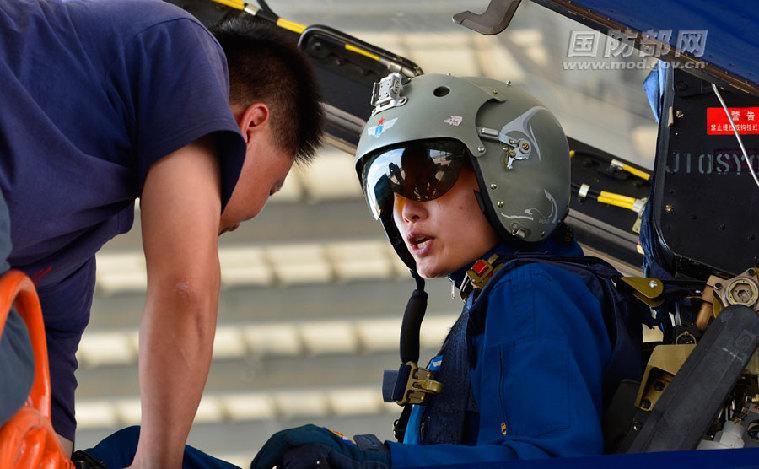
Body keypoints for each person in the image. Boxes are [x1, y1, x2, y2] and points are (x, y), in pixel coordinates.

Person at [249, 73, 644, 468]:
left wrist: (373, 463)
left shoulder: (531, 289)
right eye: (385, 191)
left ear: (507, 172)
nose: (404, 211)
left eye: (426, 177)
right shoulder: (506, 295)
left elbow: (551, 459)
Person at [0, 1, 322, 466]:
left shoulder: (66, 260)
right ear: (249, 125)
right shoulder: (180, 44)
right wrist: (157, 460)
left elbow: (48, 428)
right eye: (273, 185)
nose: (250, 214)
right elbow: (186, 287)